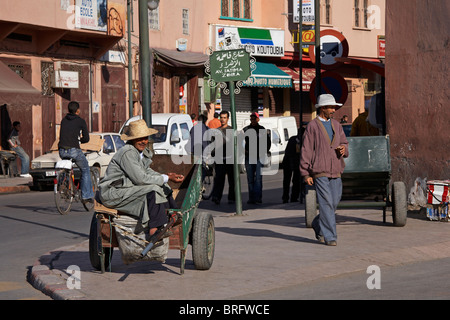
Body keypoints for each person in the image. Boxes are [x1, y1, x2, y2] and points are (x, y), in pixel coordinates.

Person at [98, 119, 184, 236]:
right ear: (132, 139)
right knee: (153, 189)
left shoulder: (138, 153)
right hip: (114, 192)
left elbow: (147, 171)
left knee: (162, 185)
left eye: (145, 138)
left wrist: (166, 177)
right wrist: (166, 178)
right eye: (140, 139)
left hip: (126, 189)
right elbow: (141, 179)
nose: (143, 141)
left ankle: (174, 213)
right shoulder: (128, 152)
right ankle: (154, 230)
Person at [300, 94, 349, 246]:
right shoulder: (312, 127)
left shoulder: (337, 125)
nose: (334, 110)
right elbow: (306, 150)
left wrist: (344, 149)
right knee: (326, 203)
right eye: (331, 107)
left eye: (334, 107)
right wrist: (305, 173)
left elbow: (344, 143)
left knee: (334, 202)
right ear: (322, 108)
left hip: (336, 169)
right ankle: (330, 237)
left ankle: (317, 222)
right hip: (319, 171)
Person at [58, 101, 94, 204]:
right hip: (74, 150)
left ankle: (65, 184)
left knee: (66, 167)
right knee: (85, 169)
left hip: (62, 150)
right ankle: (86, 196)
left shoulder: (63, 120)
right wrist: (80, 141)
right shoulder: (80, 121)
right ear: (78, 110)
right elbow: (86, 138)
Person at [243, 112, 271, 204]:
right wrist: (244, 150)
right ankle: (251, 198)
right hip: (249, 157)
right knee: (250, 179)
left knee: (258, 178)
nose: (253, 120)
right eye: (251, 119)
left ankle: (258, 198)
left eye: (254, 119)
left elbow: (268, 142)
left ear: (258, 119)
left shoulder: (262, 129)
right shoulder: (246, 129)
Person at [211, 110, 235, 204]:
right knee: (219, 180)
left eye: (224, 118)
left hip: (230, 159)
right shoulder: (216, 131)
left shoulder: (232, 130)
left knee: (232, 180)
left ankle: (232, 198)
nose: (222, 119)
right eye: (221, 117)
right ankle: (216, 197)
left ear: (228, 119)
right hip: (219, 160)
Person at [282, 128, 302, 203]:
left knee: (288, 181)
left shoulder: (292, 139)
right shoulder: (298, 140)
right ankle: (292, 197)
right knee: (295, 181)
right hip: (292, 162)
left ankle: (286, 197)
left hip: (289, 162)